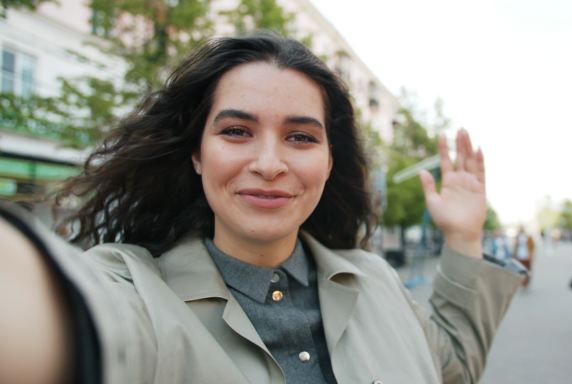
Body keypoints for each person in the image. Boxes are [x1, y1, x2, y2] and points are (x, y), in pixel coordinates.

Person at [0, 33, 523, 384]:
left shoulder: (377, 280)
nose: (270, 163)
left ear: (327, 160)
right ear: (198, 155)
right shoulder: (133, 293)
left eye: (300, 136)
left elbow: (450, 368)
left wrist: (463, 238)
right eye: (236, 131)